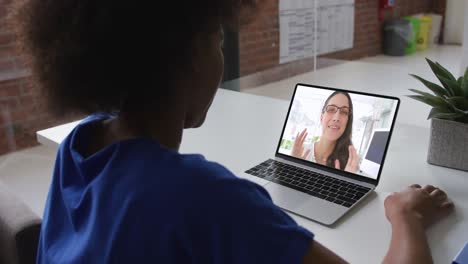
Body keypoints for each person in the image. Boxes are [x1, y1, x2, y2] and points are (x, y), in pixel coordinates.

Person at [12, 0, 454, 263]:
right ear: (185, 58)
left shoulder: (80, 144)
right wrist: (406, 216)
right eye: (217, 42)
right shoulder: (202, 195)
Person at [291, 92, 359, 173]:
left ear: (348, 122)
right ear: (321, 117)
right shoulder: (300, 152)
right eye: (331, 109)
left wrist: (346, 181)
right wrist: (292, 168)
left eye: (344, 112)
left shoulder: (350, 166)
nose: (336, 118)